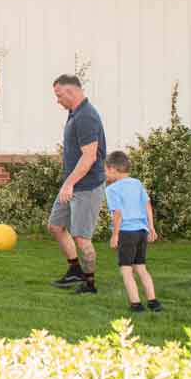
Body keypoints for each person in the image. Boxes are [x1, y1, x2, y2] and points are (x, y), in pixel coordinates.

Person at [48, 75, 107, 294]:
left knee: (82, 238)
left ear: (71, 92)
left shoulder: (86, 117)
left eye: (59, 95)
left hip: (86, 186)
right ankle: (75, 270)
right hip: (72, 183)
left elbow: (90, 156)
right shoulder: (75, 113)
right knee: (56, 226)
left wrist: (68, 184)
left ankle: (90, 283)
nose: (57, 100)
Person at [104, 151, 162, 312]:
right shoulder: (137, 183)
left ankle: (136, 304)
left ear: (113, 169)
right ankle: (153, 302)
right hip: (141, 232)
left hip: (126, 232)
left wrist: (115, 235)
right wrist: (151, 227)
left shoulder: (112, 189)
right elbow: (147, 205)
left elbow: (118, 213)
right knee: (141, 267)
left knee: (126, 270)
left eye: (105, 170)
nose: (105, 174)